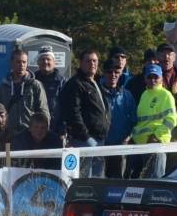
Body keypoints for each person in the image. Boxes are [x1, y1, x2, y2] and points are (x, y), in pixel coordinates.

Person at [61, 49, 110, 177]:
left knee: (97, 179)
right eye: (88, 61)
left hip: (100, 139)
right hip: (83, 141)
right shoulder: (75, 84)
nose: (92, 63)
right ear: (81, 63)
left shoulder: (96, 82)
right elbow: (73, 113)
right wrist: (86, 137)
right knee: (84, 179)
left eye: (94, 61)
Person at [130, 64, 177, 178]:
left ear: (161, 78)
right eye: (150, 77)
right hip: (141, 147)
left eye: (156, 77)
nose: (153, 80)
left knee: (155, 181)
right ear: (145, 79)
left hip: (156, 145)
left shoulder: (166, 95)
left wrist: (156, 136)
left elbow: (171, 120)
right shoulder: (144, 95)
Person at [0, 49, 50, 141]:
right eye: (18, 62)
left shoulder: (35, 85)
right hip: (9, 136)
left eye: (24, 62)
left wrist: (43, 133)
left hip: (30, 135)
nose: (21, 65)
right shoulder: (4, 86)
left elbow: (43, 112)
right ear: (12, 63)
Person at [100, 58, 136, 178]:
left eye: (116, 72)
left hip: (120, 147)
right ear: (104, 73)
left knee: (118, 182)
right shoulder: (96, 93)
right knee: (98, 182)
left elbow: (134, 120)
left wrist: (128, 138)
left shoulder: (127, 95)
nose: (113, 75)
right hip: (100, 146)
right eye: (109, 72)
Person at [34, 45, 67, 139]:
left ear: (54, 62)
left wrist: (63, 129)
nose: (45, 62)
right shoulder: (32, 81)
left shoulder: (62, 82)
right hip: (35, 132)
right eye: (42, 59)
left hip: (56, 131)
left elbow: (67, 108)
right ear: (38, 62)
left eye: (48, 59)